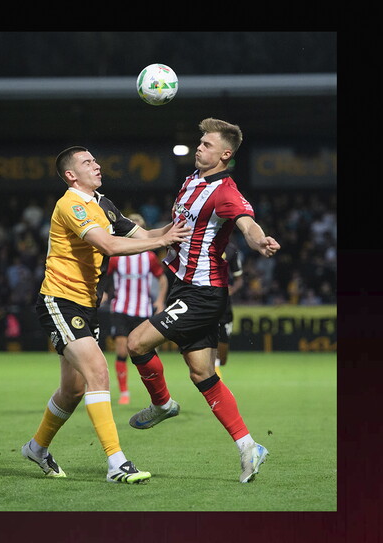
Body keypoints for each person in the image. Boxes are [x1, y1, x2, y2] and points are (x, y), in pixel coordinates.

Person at [20, 146, 191, 484]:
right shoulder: (70, 204)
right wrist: (163, 240)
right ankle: (117, 464)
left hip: (86, 304)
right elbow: (109, 246)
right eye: (87, 162)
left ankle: (36, 448)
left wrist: (182, 227)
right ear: (71, 175)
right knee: (99, 373)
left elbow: (146, 236)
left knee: (72, 389)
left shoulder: (103, 204)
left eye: (95, 160)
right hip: (60, 299)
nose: (96, 165)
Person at [125, 118, 281, 484]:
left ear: (225, 154)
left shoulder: (225, 192)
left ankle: (162, 404)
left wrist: (259, 240)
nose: (199, 147)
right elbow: (179, 226)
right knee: (202, 373)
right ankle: (249, 447)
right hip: (184, 284)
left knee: (136, 342)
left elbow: (245, 222)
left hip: (202, 292)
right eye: (200, 142)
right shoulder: (192, 180)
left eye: (207, 145)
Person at [100, 213, 168, 405]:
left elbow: (162, 279)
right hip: (121, 308)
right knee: (122, 350)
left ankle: (157, 393)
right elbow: (103, 275)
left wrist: (160, 301)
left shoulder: (149, 257)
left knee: (148, 352)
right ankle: (124, 392)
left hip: (143, 309)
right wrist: (103, 292)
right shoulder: (116, 256)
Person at [213, 240, 243, 379]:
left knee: (223, 358)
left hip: (225, 305)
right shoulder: (201, 243)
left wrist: (232, 290)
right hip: (206, 301)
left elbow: (239, 279)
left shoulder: (231, 249)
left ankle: (215, 365)